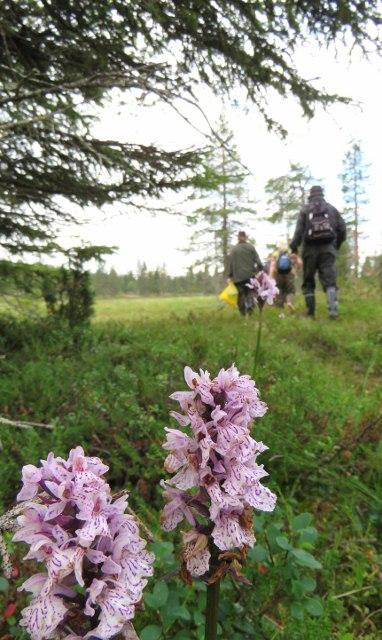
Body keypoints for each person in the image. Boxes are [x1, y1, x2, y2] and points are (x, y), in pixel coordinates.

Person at [290, 185, 346, 318]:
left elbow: (298, 231)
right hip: (328, 249)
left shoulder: (305, 210)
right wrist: (335, 246)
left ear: (310, 195)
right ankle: (333, 311)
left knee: (309, 282)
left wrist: (294, 247)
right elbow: (342, 229)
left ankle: (310, 313)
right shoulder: (331, 209)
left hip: (309, 250)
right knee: (330, 281)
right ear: (322, 194)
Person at [227, 231, 263, 315]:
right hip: (250, 276)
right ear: (246, 237)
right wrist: (258, 270)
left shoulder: (234, 250)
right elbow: (259, 262)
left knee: (240, 295)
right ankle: (250, 309)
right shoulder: (251, 247)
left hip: (238, 278)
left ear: (238, 238)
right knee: (250, 292)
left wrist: (229, 275)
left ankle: (243, 313)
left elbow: (230, 264)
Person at [269, 244, 302, 312]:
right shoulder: (290, 253)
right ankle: (289, 302)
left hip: (278, 274)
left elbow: (272, 265)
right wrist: (296, 270)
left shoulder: (276, 254)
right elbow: (299, 263)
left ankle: (280, 310)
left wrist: (271, 277)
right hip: (289, 274)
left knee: (279, 290)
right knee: (290, 291)